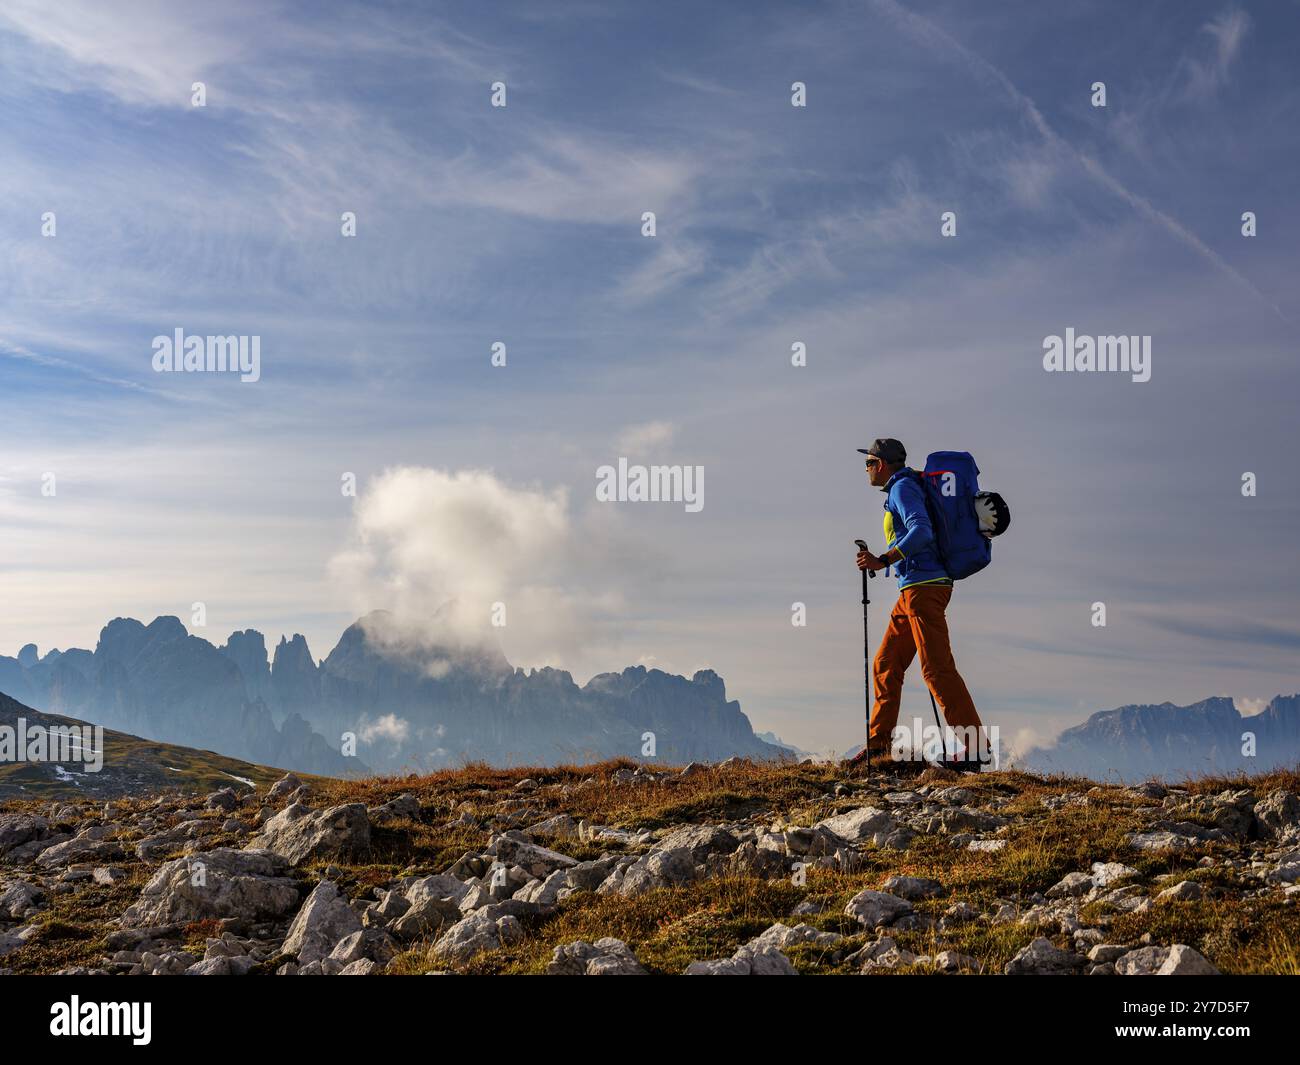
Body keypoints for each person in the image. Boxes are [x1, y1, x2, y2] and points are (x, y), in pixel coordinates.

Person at [849, 438, 987, 774]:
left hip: (925, 588)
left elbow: (921, 531)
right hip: (912, 589)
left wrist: (884, 559)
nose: (866, 470)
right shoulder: (903, 488)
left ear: (881, 464)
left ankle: (974, 750)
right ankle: (878, 746)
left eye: (868, 463)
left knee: (936, 668)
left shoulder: (903, 489)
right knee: (885, 663)